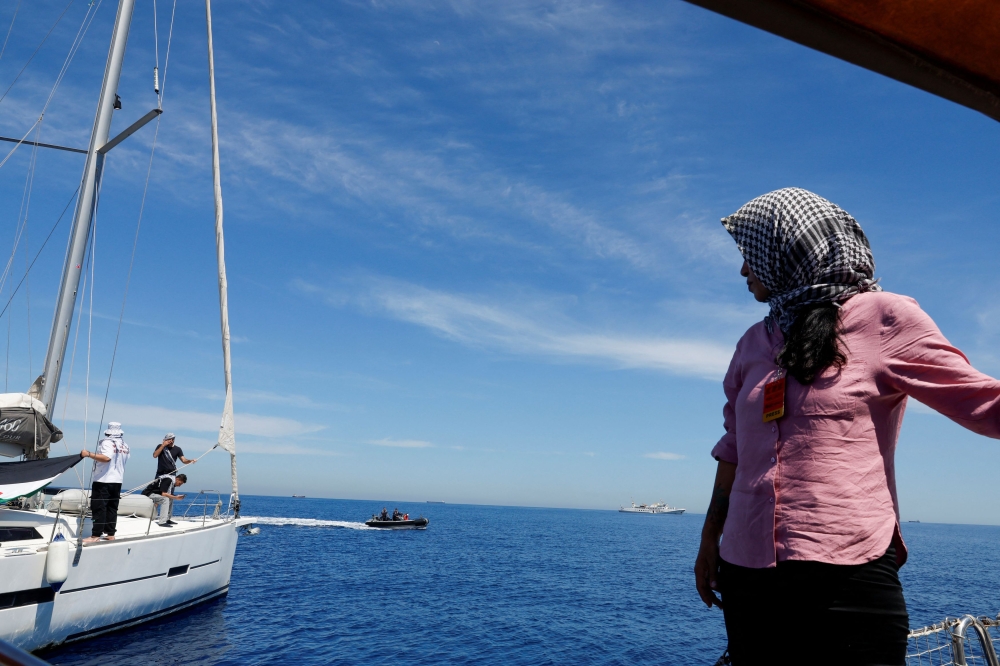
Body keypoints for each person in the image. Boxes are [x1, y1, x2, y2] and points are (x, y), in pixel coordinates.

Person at [693, 188, 1000, 666]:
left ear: (790, 251)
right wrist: (709, 539)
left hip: (849, 571)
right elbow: (734, 448)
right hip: (746, 571)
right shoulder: (754, 342)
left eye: (750, 256)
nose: (742, 270)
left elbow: (983, 403)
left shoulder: (885, 318)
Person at [81, 422, 130, 542]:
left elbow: (107, 457)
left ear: (108, 432)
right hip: (117, 480)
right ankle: (110, 533)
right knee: (112, 507)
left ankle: (95, 535)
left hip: (103, 480)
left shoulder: (107, 442)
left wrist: (88, 454)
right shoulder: (125, 445)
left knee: (98, 507)